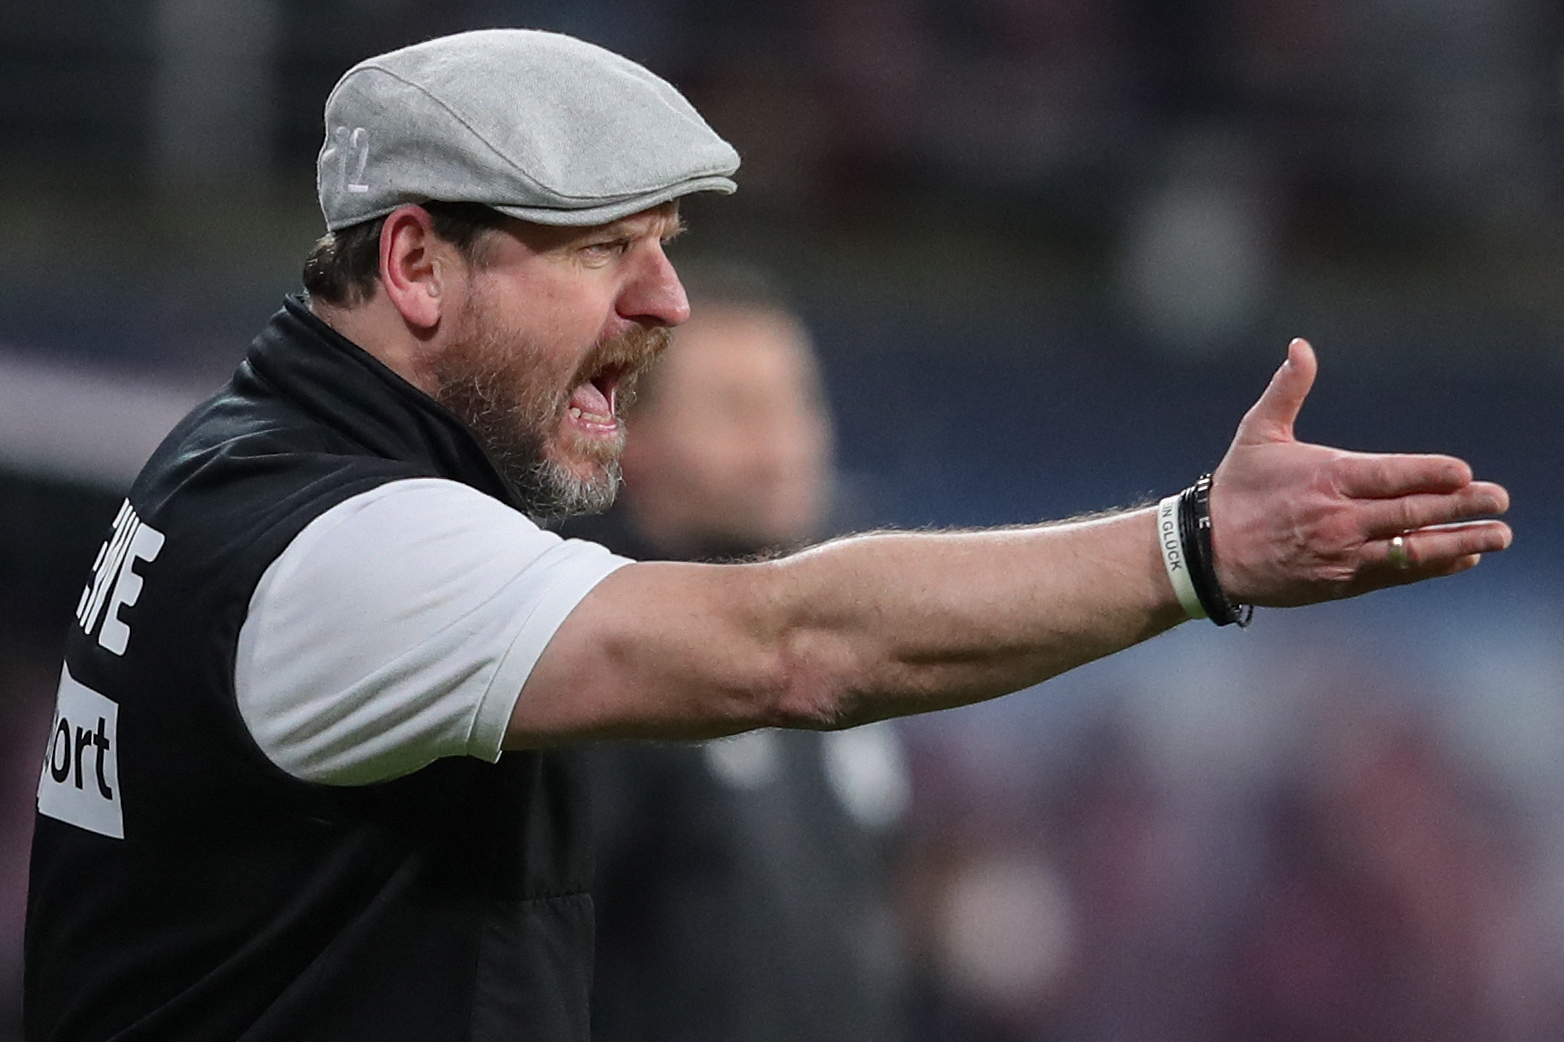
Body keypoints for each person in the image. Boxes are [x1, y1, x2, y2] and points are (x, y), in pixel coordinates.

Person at [24, 27, 1511, 1042]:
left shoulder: (250, 468)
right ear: (417, 261)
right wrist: (1193, 551)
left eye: (666, 248)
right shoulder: (346, 547)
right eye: (608, 246)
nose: (666, 302)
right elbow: (792, 643)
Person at [567, 265, 911, 1042]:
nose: (780, 447)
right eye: (736, 411)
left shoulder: (852, 625)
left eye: (797, 404)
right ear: (635, 434)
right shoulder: (596, 655)